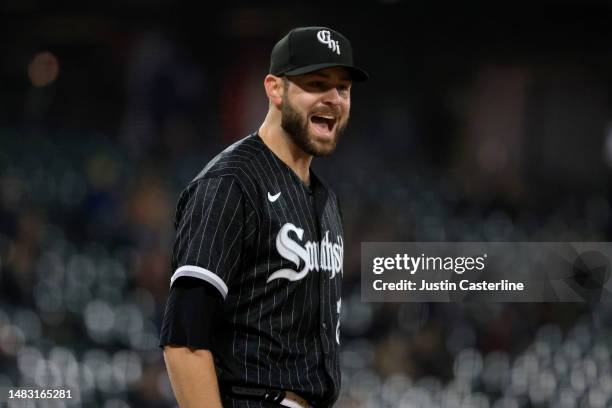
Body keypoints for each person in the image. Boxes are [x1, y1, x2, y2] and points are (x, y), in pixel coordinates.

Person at [159, 26, 368, 408]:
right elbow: (184, 341)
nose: (334, 98)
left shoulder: (325, 198)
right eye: (317, 83)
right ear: (275, 89)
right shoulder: (230, 184)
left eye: (343, 88)